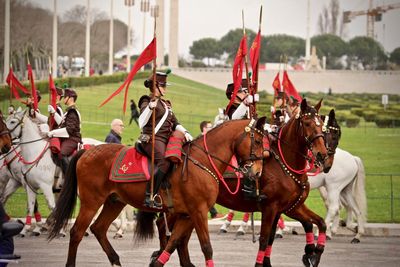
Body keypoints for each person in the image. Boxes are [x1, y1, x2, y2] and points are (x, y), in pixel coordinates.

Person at [138, 70, 193, 207]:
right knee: (164, 161)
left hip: (165, 140)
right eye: (163, 86)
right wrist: (150, 108)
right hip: (152, 139)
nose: (165, 89)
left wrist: (185, 132)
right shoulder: (146, 100)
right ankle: (149, 195)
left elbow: (175, 123)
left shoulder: (166, 105)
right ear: (155, 86)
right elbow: (141, 122)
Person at [47, 88, 81, 176]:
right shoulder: (69, 111)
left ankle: (68, 176)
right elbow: (62, 123)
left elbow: (69, 130)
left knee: (61, 154)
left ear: (71, 98)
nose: (64, 98)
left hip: (73, 138)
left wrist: (53, 132)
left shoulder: (72, 112)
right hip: (68, 137)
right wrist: (54, 113)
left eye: (65, 96)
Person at [199, 121, 225, 220]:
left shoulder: (208, 139)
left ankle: (213, 213)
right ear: (204, 129)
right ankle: (213, 213)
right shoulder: (200, 140)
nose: (211, 129)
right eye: (209, 127)